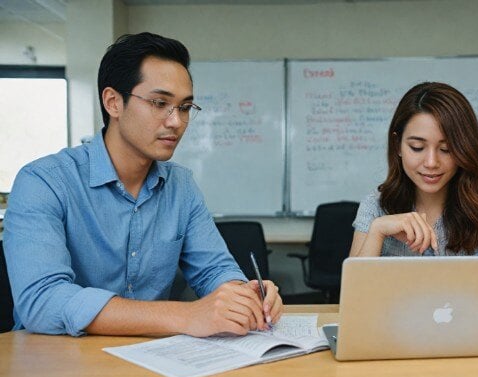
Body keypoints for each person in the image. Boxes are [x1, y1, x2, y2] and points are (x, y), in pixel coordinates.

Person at [3, 32, 282, 337]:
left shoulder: (181, 186)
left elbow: (214, 269)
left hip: (153, 359)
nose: (176, 122)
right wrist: (186, 315)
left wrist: (243, 295)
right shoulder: (43, 181)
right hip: (59, 364)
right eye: (160, 102)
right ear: (113, 102)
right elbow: (42, 302)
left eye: (185, 107)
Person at [349, 82, 478, 322]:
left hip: (474, 345)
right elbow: (352, 309)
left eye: (446, 149)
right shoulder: (376, 205)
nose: (431, 162)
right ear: (398, 146)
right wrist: (378, 230)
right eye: (417, 147)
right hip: (398, 348)